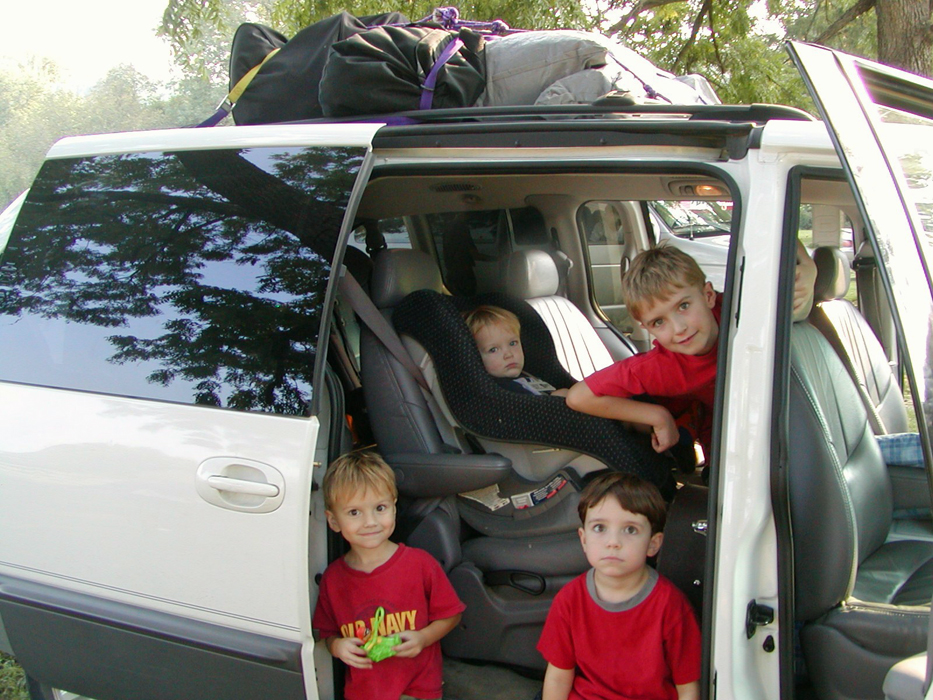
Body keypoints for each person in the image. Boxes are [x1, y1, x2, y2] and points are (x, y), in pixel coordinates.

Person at [312, 451, 465, 700]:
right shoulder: (333, 579)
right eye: (354, 513)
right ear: (333, 521)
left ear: (394, 508)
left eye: (380, 508)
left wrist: (423, 638)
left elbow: (452, 615)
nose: (370, 522)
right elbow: (327, 632)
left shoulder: (420, 564)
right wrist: (338, 647)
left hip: (418, 690)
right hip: (364, 693)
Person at [537, 472, 701, 700]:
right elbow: (558, 676)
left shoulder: (671, 607)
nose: (613, 542)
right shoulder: (569, 600)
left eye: (630, 530)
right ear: (584, 540)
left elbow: (687, 687)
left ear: (653, 544)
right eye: (599, 528)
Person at [565, 246, 720, 464]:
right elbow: (578, 396)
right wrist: (658, 416)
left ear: (709, 296)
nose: (678, 328)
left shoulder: (744, 314)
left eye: (683, 306)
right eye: (659, 322)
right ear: (646, 328)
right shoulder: (663, 367)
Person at [465, 305, 569, 397]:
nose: (509, 354)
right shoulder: (500, 390)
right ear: (476, 356)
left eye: (512, 343)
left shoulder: (527, 375)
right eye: (493, 349)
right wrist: (558, 397)